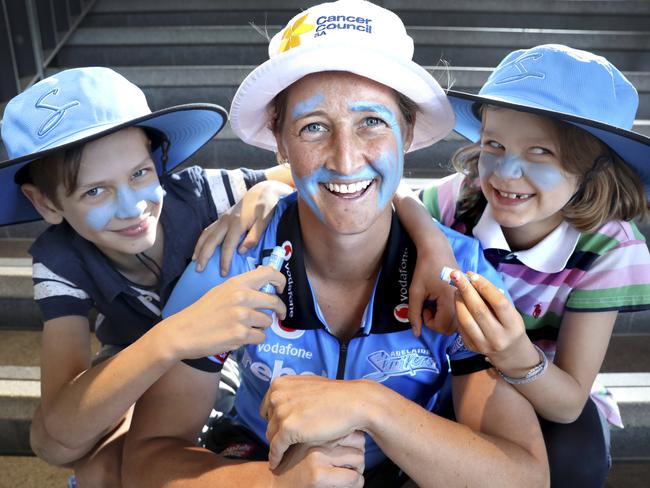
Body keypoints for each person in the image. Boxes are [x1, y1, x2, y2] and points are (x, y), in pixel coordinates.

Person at [122, 2, 550, 487]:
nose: (346, 160)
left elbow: (525, 477)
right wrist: (273, 483)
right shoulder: (229, 259)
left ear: (407, 133)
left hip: (411, 463)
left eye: (372, 122)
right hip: (260, 459)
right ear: (280, 143)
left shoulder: (461, 274)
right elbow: (146, 462)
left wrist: (369, 405)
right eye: (313, 128)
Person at [0, 67, 292, 486]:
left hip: (225, 364)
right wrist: (173, 336)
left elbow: (331, 177)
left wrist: (267, 190)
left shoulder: (199, 194)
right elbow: (56, 436)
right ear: (44, 203)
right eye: (94, 191)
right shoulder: (59, 257)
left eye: (140, 174)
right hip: (140, 362)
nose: (131, 207)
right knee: (74, 455)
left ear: (157, 161)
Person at [416, 44, 650, 487]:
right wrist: (423, 230)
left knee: (574, 461)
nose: (506, 172)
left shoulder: (610, 248)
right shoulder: (456, 202)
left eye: (540, 152)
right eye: (494, 145)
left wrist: (513, 353)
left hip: (547, 390)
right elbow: (384, 202)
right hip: (452, 374)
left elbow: (567, 402)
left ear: (594, 170)